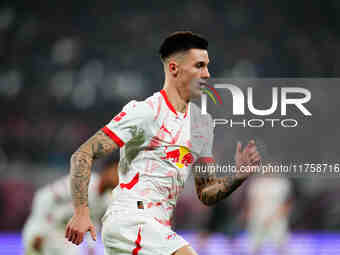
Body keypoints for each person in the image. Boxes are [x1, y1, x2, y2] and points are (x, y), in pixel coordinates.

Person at [65, 31, 261, 255]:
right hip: (132, 220)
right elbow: (83, 154)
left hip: (157, 227)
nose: (206, 74)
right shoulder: (146, 112)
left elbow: (206, 192)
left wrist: (237, 176)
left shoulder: (202, 125)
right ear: (174, 68)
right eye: (199, 66)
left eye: (207, 66)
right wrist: (81, 212)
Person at [23, 157, 119, 255]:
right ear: (107, 171)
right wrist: (40, 231)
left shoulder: (107, 200)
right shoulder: (83, 181)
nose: (119, 178)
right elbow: (44, 196)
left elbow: (92, 222)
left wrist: (90, 247)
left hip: (65, 236)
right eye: (117, 172)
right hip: (45, 228)